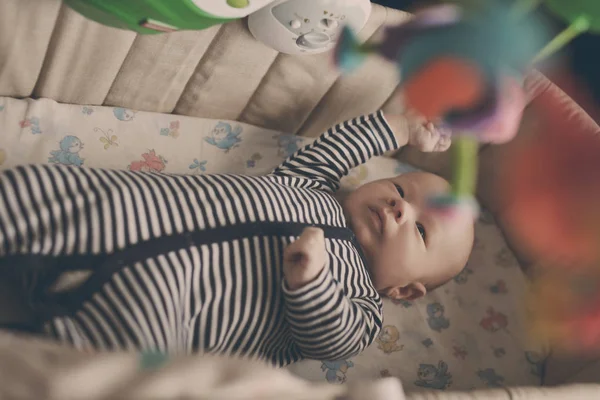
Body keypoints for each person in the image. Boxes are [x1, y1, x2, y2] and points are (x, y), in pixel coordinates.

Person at [0, 108, 473, 367]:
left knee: (84, 368)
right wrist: (402, 126)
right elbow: (337, 147)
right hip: (111, 212)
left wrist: (312, 283)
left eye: (420, 228)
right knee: (30, 193)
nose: (400, 207)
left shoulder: (362, 308)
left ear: (405, 291)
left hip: (160, 311)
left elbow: (333, 341)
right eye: (399, 189)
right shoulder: (308, 182)